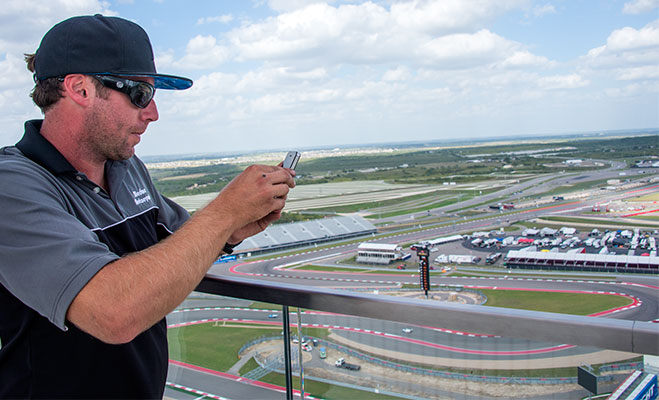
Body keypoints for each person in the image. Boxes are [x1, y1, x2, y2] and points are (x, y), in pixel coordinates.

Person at [0, 14, 295, 398]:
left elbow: (181, 241)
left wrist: (237, 224)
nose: (153, 113)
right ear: (79, 89)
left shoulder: (125, 169)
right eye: (140, 94)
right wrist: (224, 212)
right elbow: (113, 313)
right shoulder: (13, 186)